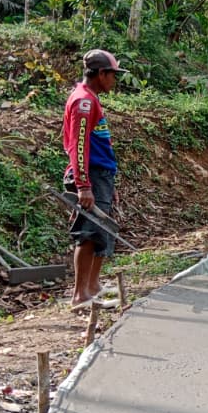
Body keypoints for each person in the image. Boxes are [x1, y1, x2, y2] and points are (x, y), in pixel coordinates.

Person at [63, 49, 123, 310]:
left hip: (101, 175)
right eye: (113, 75)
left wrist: (109, 183)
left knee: (102, 232)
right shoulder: (83, 102)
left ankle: (93, 286)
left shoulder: (90, 99)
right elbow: (78, 146)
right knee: (88, 234)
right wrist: (84, 185)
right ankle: (80, 296)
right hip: (91, 175)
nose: (115, 80)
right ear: (101, 74)